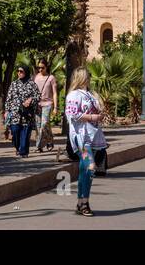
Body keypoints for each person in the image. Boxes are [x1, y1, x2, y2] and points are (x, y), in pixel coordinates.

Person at [64, 67, 106, 216]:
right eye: (87, 75)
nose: (90, 77)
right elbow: (72, 115)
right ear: (81, 77)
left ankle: (82, 202)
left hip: (93, 136)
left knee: (85, 171)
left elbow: (97, 110)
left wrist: (100, 113)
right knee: (90, 166)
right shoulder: (74, 95)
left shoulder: (90, 94)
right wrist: (92, 117)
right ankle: (83, 203)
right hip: (81, 137)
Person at [3, 65, 40, 158]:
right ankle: (18, 147)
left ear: (26, 72)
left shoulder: (32, 84)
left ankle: (23, 152)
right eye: (18, 71)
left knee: (25, 133)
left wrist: (31, 99)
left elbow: (38, 96)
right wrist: (7, 111)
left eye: (21, 71)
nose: (19, 73)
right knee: (15, 131)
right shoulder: (14, 84)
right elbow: (9, 98)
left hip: (27, 114)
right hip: (15, 113)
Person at [32, 58, 58, 153]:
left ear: (46, 67)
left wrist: (55, 107)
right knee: (38, 126)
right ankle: (44, 144)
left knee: (44, 123)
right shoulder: (36, 77)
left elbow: (55, 93)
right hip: (37, 104)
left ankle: (43, 143)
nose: (40, 70)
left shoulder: (51, 78)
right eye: (38, 68)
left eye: (42, 68)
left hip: (48, 103)